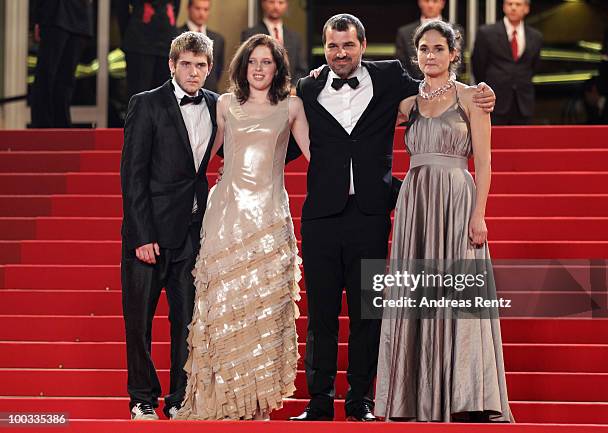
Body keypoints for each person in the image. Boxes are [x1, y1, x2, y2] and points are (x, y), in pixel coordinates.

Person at [288, 13, 496, 422]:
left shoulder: (390, 80)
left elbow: (461, 117)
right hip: (323, 215)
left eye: (348, 45)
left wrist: (484, 90)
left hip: (372, 212)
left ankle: (361, 401)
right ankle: (319, 401)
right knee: (322, 313)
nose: (341, 53)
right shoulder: (309, 86)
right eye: (333, 46)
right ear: (324, 47)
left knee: (369, 311)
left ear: (364, 45)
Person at [375, 20, 513, 422]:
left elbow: (484, 163)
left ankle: (468, 398)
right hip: (415, 200)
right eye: (423, 50)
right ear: (415, 55)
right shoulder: (406, 103)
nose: (430, 56)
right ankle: (408, 398)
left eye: (438, 49)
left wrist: (479, 214)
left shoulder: (473, 98)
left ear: (454, 54)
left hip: (456, 198)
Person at [175, 34, 311, 421]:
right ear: (242, 65)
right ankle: (219, 402)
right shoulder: (224, 105)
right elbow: (202, 156)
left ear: (277, 67)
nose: (258, 68)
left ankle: (254, 404)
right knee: (223, 309)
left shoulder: (292, 106)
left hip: (268, 217)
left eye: (266, 62)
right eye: (252, 61)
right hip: (227, 215)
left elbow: (320, 155)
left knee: (263, 310)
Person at [120, 31, 218, 420]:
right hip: (149, 236)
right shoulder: (145, 104)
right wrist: (142, 236)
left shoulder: (216, 105)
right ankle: (142, 398)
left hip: (191, 234)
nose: (193, 73)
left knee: (186, 323)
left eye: (200, 66)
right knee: (139, 323)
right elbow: (132, 175)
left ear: (209, 69)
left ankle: (178, 398)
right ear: (172, 65)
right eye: (186, 65)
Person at [472, 0, 542, 125]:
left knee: (522, 142)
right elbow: (478, 65)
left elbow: (534, 66)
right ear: (504, 7)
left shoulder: (536, 36)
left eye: (518, 4)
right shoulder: (487, 33)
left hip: (523, 103)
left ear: (526, 8)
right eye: (510, 4)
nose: (513, 8)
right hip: (494, 102)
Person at [30, 0, 94, 128]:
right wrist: (36, 18)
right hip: (55, 13)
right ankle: (42, 125)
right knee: (47, 74)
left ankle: (62, 124)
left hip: (80, 17)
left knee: (66, 79)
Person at [118, 0, 180, 99]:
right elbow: (121, 7)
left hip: (163, 41)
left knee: (165, 98)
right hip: (139, 41)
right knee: (139, 98)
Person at [241, 0, 308, 87]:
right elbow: (245, 66)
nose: (276, 7)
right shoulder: (250, 34)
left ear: (286, 5)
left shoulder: (295, 37)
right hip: (260, 90)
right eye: (271, 2)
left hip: (290, 92)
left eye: (280, 2)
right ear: (263, 4)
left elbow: (301, 68)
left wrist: (293, 87)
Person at [395, 0, 463, 80]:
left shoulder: (456, 31)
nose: (430, 5)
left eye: (435, 1)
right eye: (426, 0)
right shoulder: (404, 33)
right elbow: (402, 66)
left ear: (442, 3)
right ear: (420, 2)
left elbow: (459, 65)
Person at [179, 0, 225, 93]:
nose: (201, 13)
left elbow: (218, 71)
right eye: (197, 8)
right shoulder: (177, 36)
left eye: (205, 9)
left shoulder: (218, 39)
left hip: (210, 95)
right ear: (188, 8)